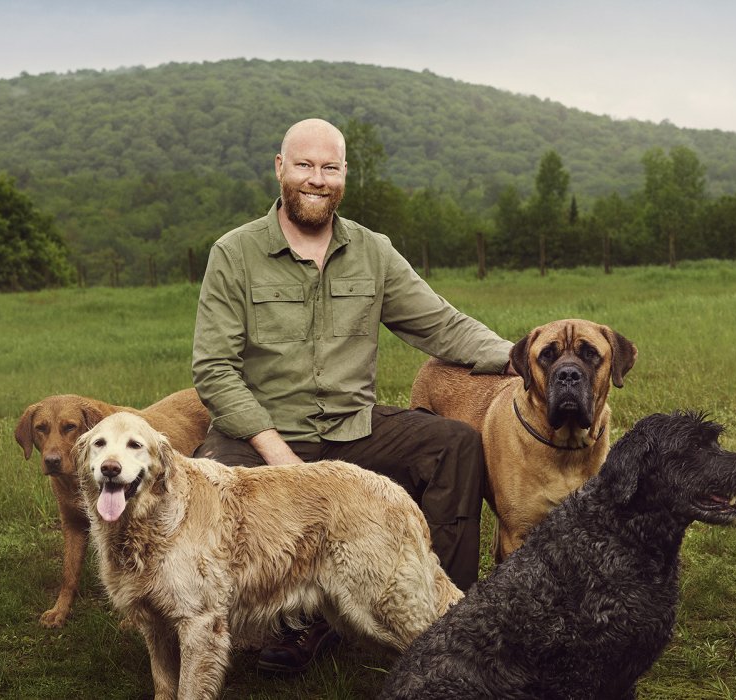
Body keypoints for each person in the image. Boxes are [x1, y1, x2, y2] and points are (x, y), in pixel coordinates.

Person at [191, 118, 513, 673]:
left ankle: (444, 616)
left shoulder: (372, 251)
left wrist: (525, 356)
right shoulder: (235, 253)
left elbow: (441, 325)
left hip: (351, 427)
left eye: (329, 167)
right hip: (262, 434)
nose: (316, 179)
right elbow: (213, 368)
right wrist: (278, 454)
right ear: (280, 168)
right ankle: (292, 621)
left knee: (454, 446)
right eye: (304, 165)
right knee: (207, 492)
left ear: (344, 175)